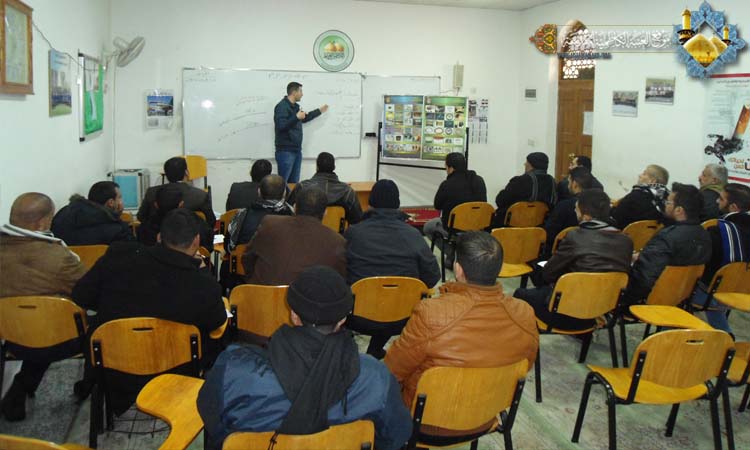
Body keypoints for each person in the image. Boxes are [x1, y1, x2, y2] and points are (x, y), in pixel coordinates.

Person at [197, 266, 412, 450]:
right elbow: (396, 436)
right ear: (342, 319)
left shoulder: (233, 369)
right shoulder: (376, 377)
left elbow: (213, 426)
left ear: (293, 314)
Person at [72, 208, 227, 414]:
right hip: (176, 374)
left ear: (159, 237)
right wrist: (202, 270)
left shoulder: (117, 255)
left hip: (112, 369)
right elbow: (217, 322)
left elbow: (81, 295)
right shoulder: (203, 284)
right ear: (196, 241)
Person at [384, 231, 538, 406]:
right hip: (485, 410)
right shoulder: (525, 314)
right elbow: (524, 366)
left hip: (429, 413)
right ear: (499, 268)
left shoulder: (431, 314)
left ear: (458, 269)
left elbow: (392, 369)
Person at [0, 193, 87, 421]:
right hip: (60, 341)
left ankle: (19, 392)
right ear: (42, 223)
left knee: (35, 324)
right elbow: (87, 292)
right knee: (92, 327)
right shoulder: (58, 255)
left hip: (12, 339)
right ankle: (87, 387)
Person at [344, 179, 440, 358]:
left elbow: (340, 272)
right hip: (402, 317)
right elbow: (433, 276)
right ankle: (375, 348)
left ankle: (346, 352)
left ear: (370, 203)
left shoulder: (353, 233)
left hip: (356, 317)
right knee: (392, 299)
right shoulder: (413, 235)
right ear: (398, 205)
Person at [514, 189, 633, 330]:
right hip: (600, 311)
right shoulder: (626, 241)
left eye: (576, 210)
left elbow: (548, 274)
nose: (575, 213)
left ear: (586, 217)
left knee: (520, 293)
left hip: (565, 313)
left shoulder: (575, 236)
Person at [623, 183, 712, 306]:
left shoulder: (667, 237)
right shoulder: (705, 234)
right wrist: (644, 257)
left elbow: (644, 280)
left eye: (668, 202)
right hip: (680, 299)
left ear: (679, 210)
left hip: (650, 301)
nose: (665, 204)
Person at [243, 187, 346, 285]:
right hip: (309, 297)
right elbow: (340, 279)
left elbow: (247, 257)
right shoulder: (337, 241)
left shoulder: (269, 223)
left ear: (295, 207)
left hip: (259, 294)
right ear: (325, 213)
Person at [695, 183, 750, 333]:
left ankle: (667, 338)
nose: (717, 201)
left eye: (721, 199)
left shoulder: (717, 230)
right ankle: (724, 334)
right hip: (742, 293)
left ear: (733, 207)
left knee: (677, 290)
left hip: (711, 293)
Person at [422, 152, 486, 246]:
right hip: (478, 227)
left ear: (451, 168)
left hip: (454, 229)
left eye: (446, 167)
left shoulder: (447, 184)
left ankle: (451, 252)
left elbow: (437, 206)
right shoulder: (479, 180)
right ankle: (460, 251)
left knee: (428, 227)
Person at [274, 82, 329, 183]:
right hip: (285, 151)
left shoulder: (295, 107)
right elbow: (281, 126)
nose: (302, 94)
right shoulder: (282, 107)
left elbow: (305, 117)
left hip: (296, 150)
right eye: (300, 91)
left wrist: (319, 111)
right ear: (294, 92)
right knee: (282, 184)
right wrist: (296, 117)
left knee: (294, 184)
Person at [287, 152, 362, 225]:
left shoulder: (301, 187)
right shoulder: (347, 191)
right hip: (335, 233)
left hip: (306, 231)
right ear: (334, 167)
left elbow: (287, 212)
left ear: (317, 167)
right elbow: (357, 220)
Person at [137, 156, 216, 226]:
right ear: (186, 172)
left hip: (158, 236)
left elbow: (140, 217)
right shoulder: (200, 195)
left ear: (166, 175)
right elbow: (211, 221)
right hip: (189, 236)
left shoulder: (151, 192)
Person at [51, 181, 133, 245]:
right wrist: (118, 213)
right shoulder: (118, 230)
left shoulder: (62, 217)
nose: (122, 201)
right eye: (120, 197)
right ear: (111, 203)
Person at [138, 183, 214, 251]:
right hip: (189, 261)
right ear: (181, 204)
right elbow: (208, 245)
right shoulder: (195, 224)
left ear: (156, 205)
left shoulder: (145, 228)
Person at [492, 152, 557, 227]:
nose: (524, 164)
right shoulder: (552, 182)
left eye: (527, 162)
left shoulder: (520, 181)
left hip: (511, 227)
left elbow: (500, 200)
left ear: (531, 165)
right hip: (539, 228)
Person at [543, 166, 594, 256]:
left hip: (562, 254)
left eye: (569, 181)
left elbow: (549, 235)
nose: (568, 184)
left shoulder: (564, 206)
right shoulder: (598, 206)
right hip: (590, 252)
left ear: (574, 184)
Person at [610, 164, 669, 229]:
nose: (639, 175)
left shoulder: (637, 194)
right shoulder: (668, 199)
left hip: (627, 233)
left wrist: (611, 209)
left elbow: (616, 216)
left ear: (652, 181)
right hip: (653, 234)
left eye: (644, 174)